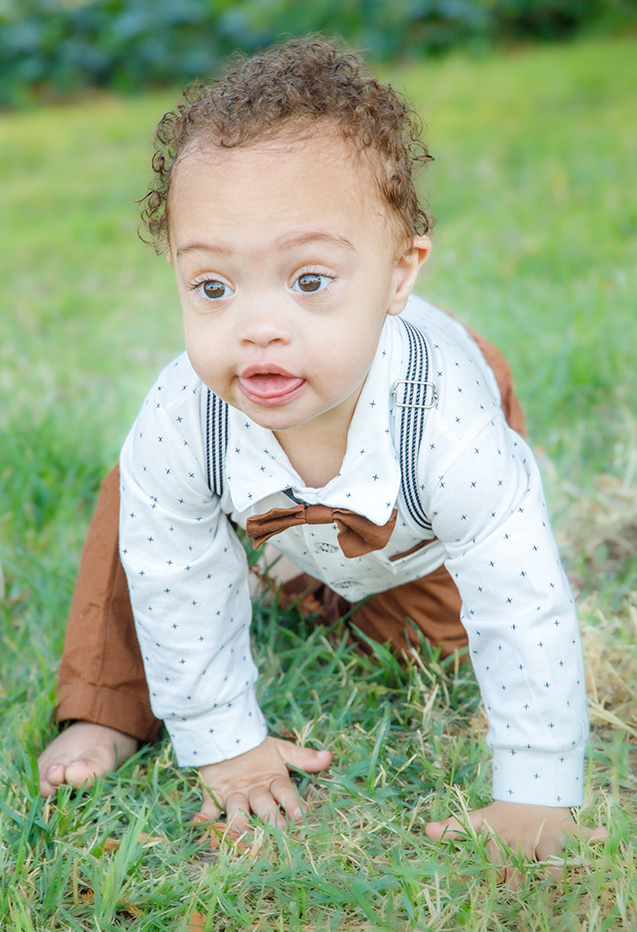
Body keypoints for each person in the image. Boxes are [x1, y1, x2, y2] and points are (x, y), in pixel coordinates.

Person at [38, 37, 604, 873]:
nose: (258, 327)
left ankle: (300, 575)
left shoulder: (449, 427)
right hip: (232, 484)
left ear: (398, 275)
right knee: (141, 508)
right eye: (213, 287)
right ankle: (107, 703)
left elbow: (521, 606)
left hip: (415, 504)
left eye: (308, 281)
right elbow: (169, 575)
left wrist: (536, 792)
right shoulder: (186, 414)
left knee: (429, 641)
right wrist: (224, 744)